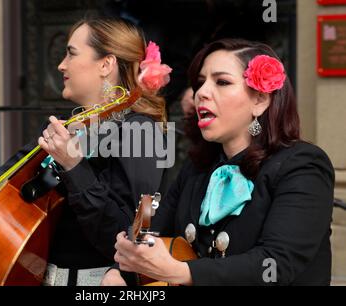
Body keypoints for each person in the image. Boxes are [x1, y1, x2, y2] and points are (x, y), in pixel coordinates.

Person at [0, 17, 172, 286]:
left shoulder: (141, 132)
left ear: (105, 64)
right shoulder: (66, 126)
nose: (61, 64)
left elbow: (134, 229)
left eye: (72, 53)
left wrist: (75, 166)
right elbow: (4, 179)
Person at [101, 38, 335, 286]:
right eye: (200, 83)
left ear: (260, 100)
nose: (201, 93)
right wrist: (119, 270)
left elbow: (275, 264)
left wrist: (181, 272)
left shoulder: (303, 165)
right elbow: (151, 226)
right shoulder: (197, 167)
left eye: (221, 82)